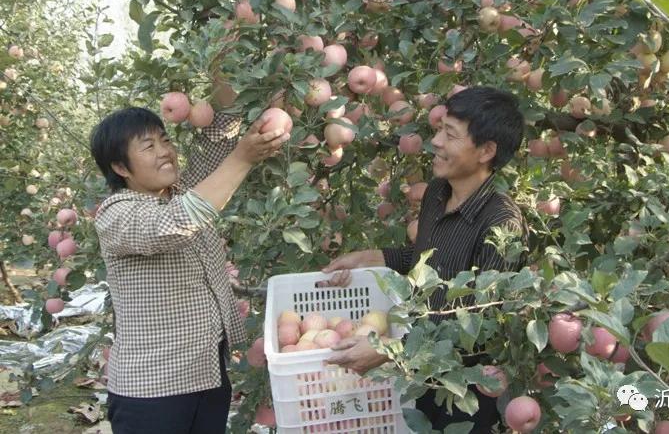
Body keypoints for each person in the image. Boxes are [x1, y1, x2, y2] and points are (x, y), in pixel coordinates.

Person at [321, 86, 527, 433]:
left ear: (486, 151)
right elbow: (424, 260)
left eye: (450, 134)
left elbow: (480, 328)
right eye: (439, 129)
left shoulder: (502, 224)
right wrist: (369, 257)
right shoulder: (437, 192)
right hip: (419, 372)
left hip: (465, 390)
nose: (436, 142)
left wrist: (390, 350)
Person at [90, 79, 289, 434]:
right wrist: (243, 157)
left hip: (208, 377)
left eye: (165, 140)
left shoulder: (180, 191)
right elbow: (177, 222)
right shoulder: (116, 214)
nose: (164, 151)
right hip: (153, 391)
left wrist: (230, 56)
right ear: (121, 167)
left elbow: (220, 135)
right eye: (148, 146)